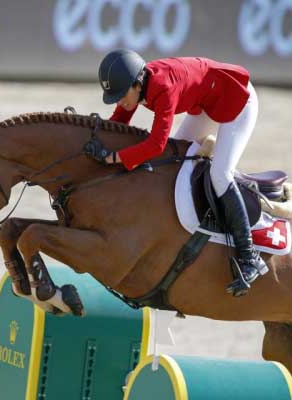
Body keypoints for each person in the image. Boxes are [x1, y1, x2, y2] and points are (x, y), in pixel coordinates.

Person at [87, 49, 268, 297]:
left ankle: (250, 257)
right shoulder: (136, 85)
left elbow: (156, 145)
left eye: (120, 95)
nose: (120, 101)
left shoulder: (162, 86)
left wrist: (117, 157)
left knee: (220, 173)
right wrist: (94, 141)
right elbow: (119, 122)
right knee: (173, 164)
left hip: (238, 101)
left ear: (137, 83)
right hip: (207, 102)